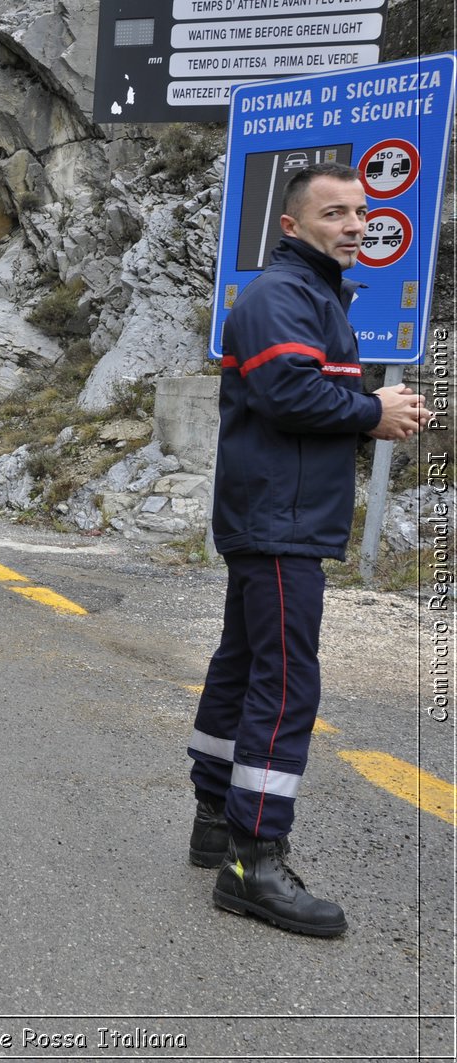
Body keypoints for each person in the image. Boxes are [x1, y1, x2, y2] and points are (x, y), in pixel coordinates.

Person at [186, 162, 430, 937]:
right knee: (286, 683)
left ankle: (215, 824)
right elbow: (287, 392)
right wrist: (372, 411)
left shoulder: (311, 293)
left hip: (275, 515)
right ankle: (255, 863)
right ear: (291, 226)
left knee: (245, 663)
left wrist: (368, 410)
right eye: (335, 213)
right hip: (279, 521)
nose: (356, 224)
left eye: (361, 211)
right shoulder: (282, 296)